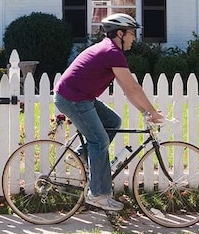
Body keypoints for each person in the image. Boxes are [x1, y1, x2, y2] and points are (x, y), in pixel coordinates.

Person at [54, 13, 165, 212]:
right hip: (73, 98)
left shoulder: (110, 50)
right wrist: (152, 111)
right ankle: (98, 195)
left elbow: (127, 89)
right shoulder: (111, 52)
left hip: (80, 96)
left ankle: (81, 156)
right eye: (132, 33)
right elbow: (133, 88)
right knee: (100, 141)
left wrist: (145, 112)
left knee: (112, 122)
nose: (134, 38)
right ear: (120, 34)